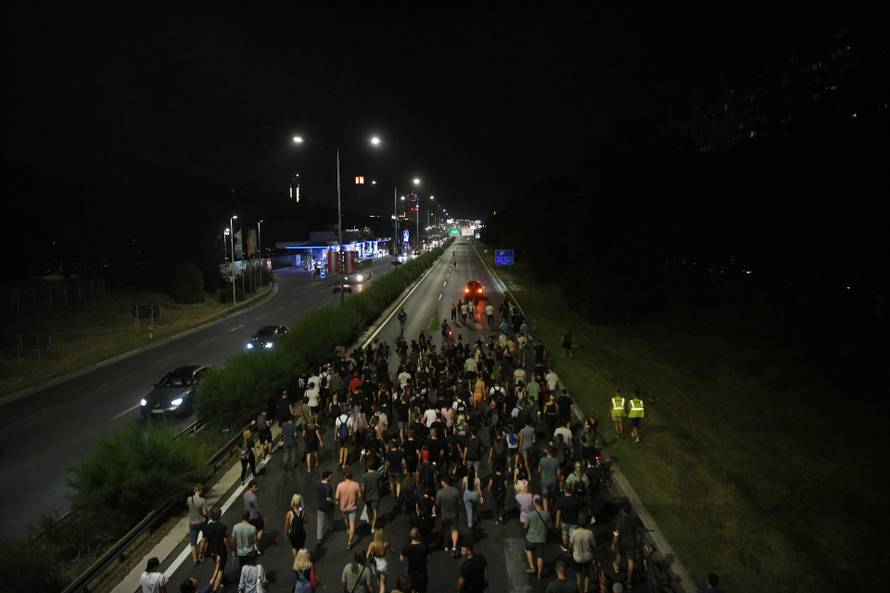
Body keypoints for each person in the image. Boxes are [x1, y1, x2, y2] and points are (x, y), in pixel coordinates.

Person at [200, 506, 231, 593]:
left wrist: (201, 553)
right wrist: (231, 550)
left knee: (218, 566)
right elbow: (225, 540)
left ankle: (221, 580)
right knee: (220, 569)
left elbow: (203, 541)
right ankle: (215, 589)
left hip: (211, 552)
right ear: (219, 515)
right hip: (221, 552)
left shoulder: (206, 527)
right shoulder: (222, 527)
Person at [612, 504, 638, 589]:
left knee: (619, 554)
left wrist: (613, 544)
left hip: (623, 543)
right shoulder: (633, 519)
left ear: (623, 510)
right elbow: (636, 530)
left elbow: (616, 535)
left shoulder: (620, 520)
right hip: (632, 542)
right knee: (630, 561)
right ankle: (629, 581)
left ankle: (616, 567)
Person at [335, 468, 362, 550]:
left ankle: (347, 528)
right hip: (353, 508)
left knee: (346, 520)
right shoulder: (356, 485)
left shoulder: (340, 485)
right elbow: (360, 496)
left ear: (344, 476)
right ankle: (349, 543)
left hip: (343, 508)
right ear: (352, 476)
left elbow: (336, 497)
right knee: (352, 524)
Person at [435, 476, 461, 558]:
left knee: (445, 530)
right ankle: (454, 546)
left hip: (444, 515)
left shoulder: (440, 493)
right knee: (454, 530)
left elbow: (437, 504)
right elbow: (459, 503)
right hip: (454, 514)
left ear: (443, 482)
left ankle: (446, 545)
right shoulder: (455, 491)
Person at [524, 495, 550, 579]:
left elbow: (525, 526)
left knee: (528, 550)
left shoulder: (530, 514)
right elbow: (549, 526)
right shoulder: (547, 514)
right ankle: (539, 574)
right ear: (542, 504)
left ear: (535, 504)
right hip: (542, 539)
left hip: (531, 538)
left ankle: (532, 568)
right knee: (540, 556)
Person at [570, 511, 596, 593]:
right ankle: (586, 590)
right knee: (587, 575)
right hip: (587, 557)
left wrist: (571, 550)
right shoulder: (590, 533)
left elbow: (570, 544)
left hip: (577, 557)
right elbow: (594, 545)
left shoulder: (574, 532)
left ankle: (580, 590)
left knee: (578, 574)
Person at [400, 527, 431, 593]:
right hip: (422, 574)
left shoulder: (407, 547)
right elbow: (428, 560)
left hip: (411, 574)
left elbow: (401, 559)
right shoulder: (424, 546)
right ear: (419, 535)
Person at [555, 484, 583, 552]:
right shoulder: (576, 499)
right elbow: (581, 508)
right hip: (574, 521)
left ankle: (565, 546)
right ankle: (571, 549)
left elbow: (558, 512)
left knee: (564, 533)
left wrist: (557, 522)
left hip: (564, 521)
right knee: (572, 537)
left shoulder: (561, 500)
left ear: (565, 490)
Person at [186, 484, 207, 566]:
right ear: (200, 491)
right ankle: (201, 555)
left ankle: (195, 559)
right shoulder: (202, 500)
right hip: (201, 522)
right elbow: (205, 513)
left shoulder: (189, 499)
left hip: (192, 523)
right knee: (204, 537)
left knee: (193, 542)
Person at [366, 528, 391, 593]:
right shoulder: (385, 544)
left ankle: (379, 589)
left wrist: (371, 553)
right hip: (383, 564)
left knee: (378, 578)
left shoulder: (372, 544)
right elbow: (391, 550)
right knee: (383, 584)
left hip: (375, 564)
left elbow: (367, 556)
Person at [360, 462, 384, 531]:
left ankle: (370, 520)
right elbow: (380, 485)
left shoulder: (364, 476)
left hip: (367, 497)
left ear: (368, 467)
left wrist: (362, 495)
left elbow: (363, 488)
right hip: (376, 496)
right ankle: (373, 528)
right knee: (375, 511)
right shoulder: (378, 474)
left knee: (368, 508)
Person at [316, 470, 335, 545]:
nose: (332, 477)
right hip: (328, 506)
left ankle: (319, 538)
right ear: (327, 477)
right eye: (330, 476)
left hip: (320, 506)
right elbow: (328, 498)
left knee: (320, 522)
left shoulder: (317, 484)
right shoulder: (328, 487)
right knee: (330, 516)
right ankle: (330, 527)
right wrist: (333, 502)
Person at [285, 493, 307, 559]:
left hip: (292, 534)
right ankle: (301, 561)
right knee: (301, 547)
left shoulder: (289, 513)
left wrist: (285, 534)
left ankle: (296, 563)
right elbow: (306, 521)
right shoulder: (302, 512)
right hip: (301, 533)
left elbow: (286, 525)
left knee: (294, 547)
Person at [243, 480, 265, 547]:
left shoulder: (245, 495)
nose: (256, 489)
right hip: (255, 516)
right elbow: (257, 508)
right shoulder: (254, 498)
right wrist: (263, 516)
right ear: (250, 488)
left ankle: (252, 541)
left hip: (248, 516)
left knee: (252, 530)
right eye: (254, 487)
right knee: (261, 528)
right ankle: (256, 542)